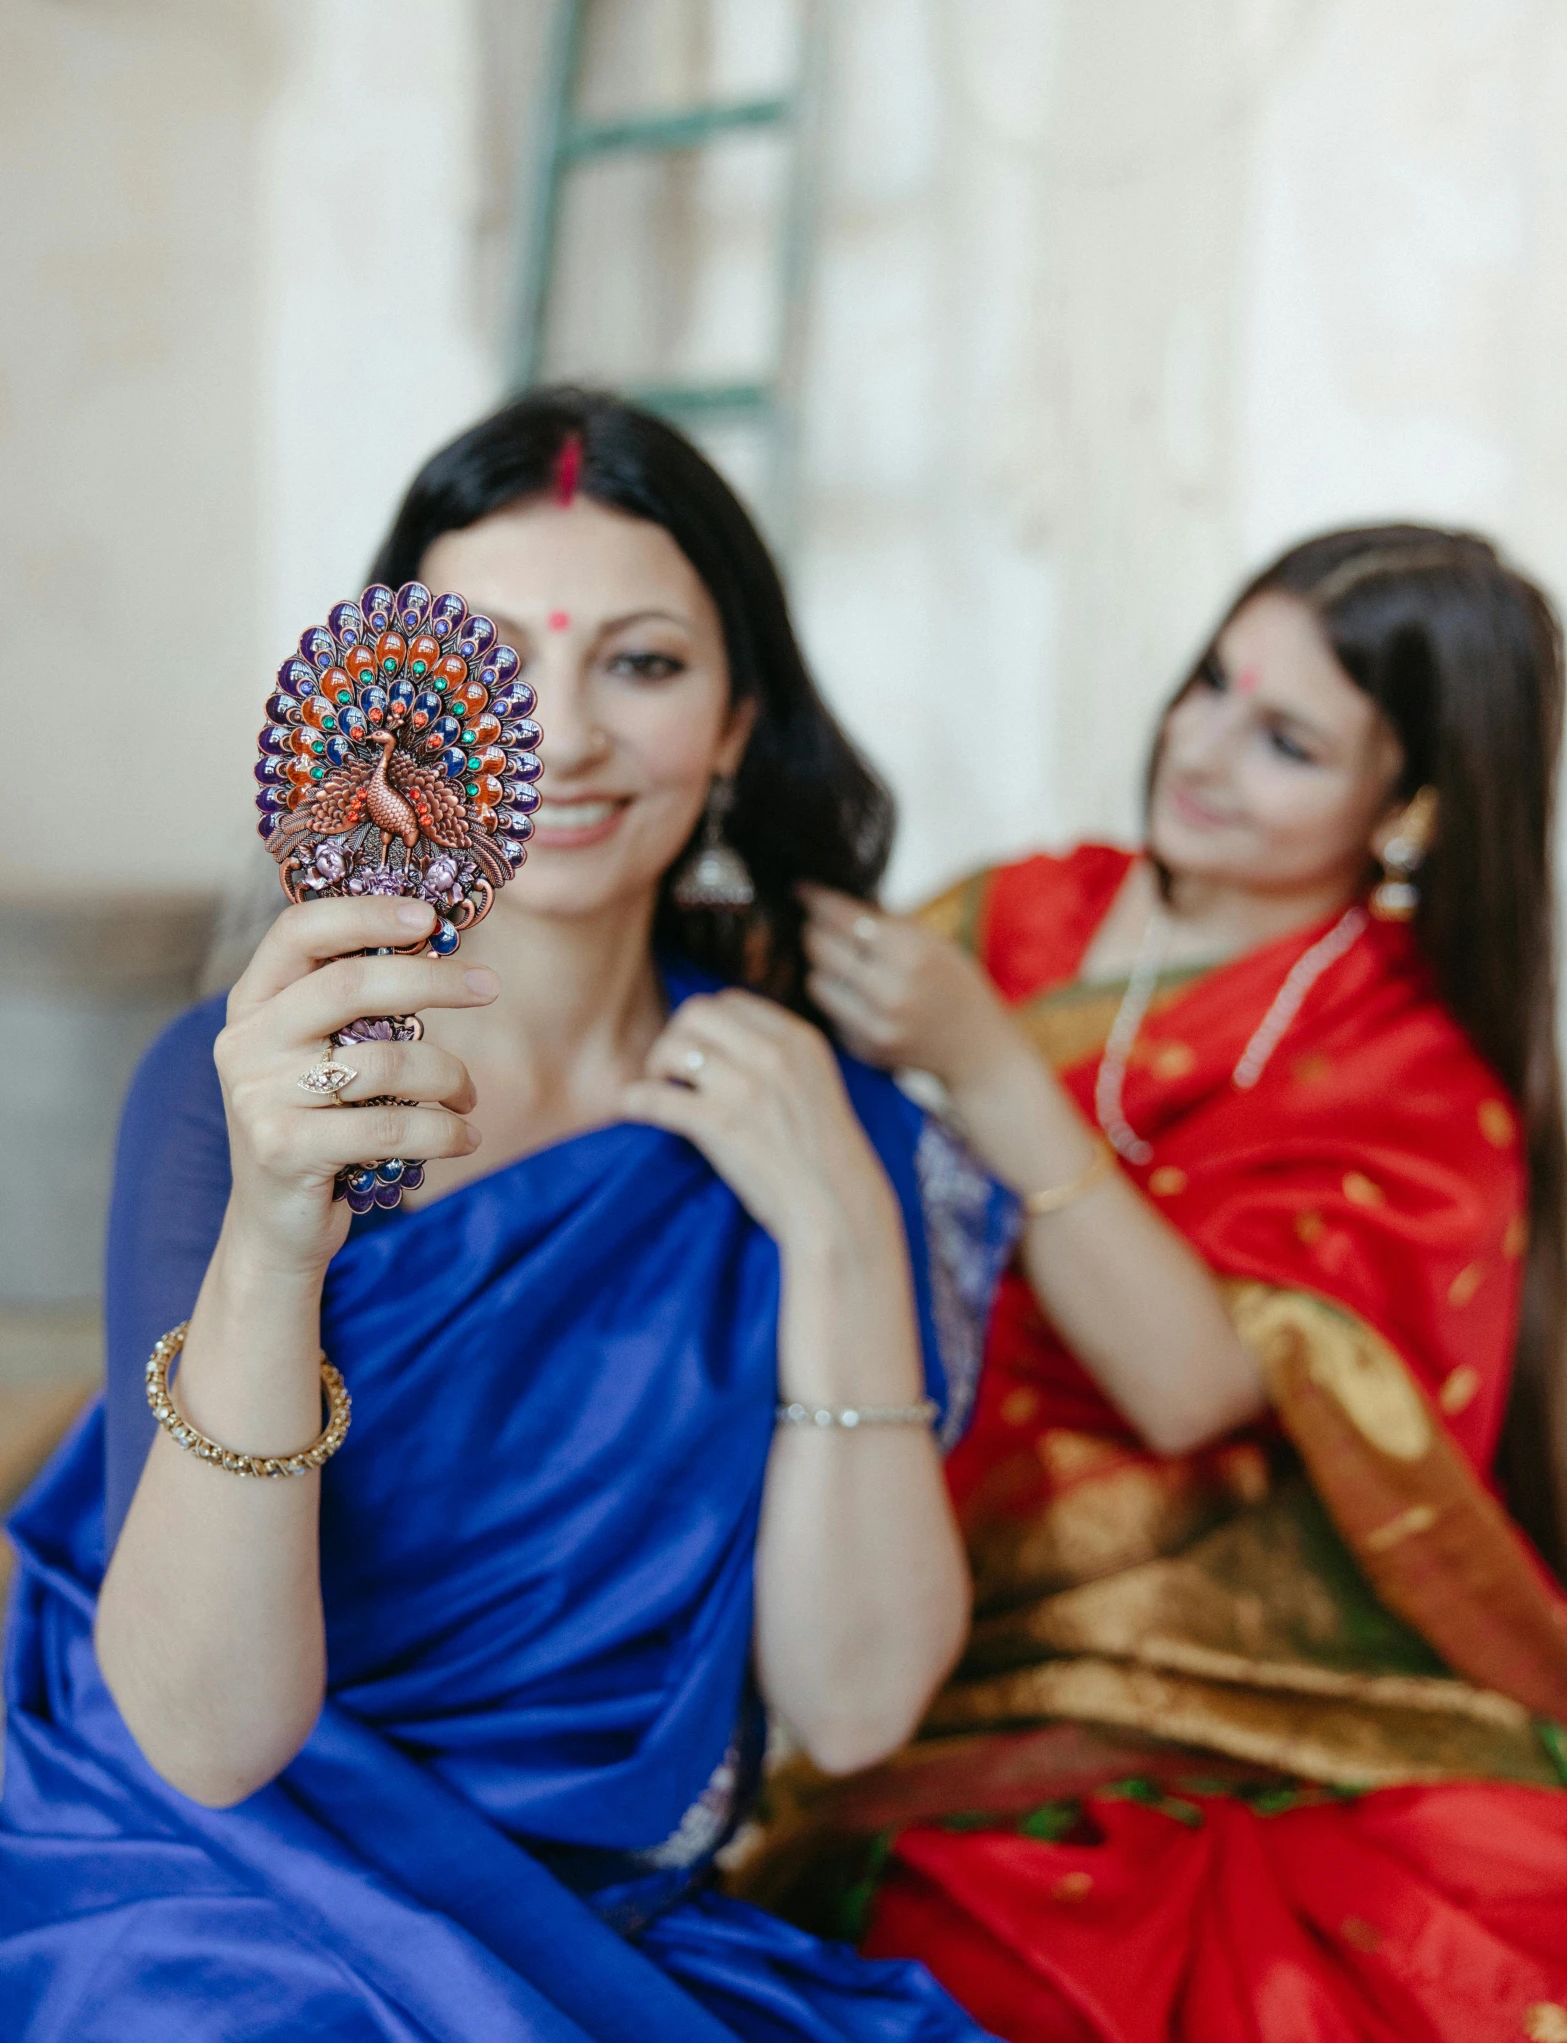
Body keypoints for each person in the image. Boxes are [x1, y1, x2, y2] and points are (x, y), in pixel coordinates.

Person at [0, 388, 1017, 2042]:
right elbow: (207, 1733)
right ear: (388, 710)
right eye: (488, 666)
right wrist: (273, 1238)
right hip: (196, 1873)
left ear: (741, 718)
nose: (564, 733)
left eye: (643, 661)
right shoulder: (237, 1085)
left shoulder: (833, 1119)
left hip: (587, 1927)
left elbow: (856, 1699)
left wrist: (836, 1224)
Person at [746, 526, 1567, 2042]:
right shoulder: (1031, 910)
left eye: (1284, 741)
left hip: (1207, 1672)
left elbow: (1187, 1387)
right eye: (1207, 683)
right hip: (911, 1565)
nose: (1198, 747)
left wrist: (988, 1067)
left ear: (1412, 807)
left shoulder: (1410, 1078)